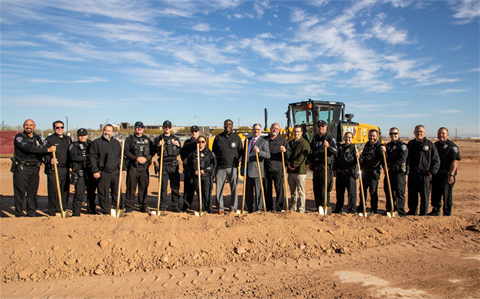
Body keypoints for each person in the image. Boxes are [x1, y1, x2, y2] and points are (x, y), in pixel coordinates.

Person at [12, 119, 56, 217]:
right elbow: (29, 149)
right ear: (23, 126)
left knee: (32, 191)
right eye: (26, 125)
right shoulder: (19, 137)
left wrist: (49, 159)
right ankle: (19, 213)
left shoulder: (37, 138)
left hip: (35, 168)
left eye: (31, 125)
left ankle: (31, 212)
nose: (28, 127)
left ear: (34, 126)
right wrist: (46, 149)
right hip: (22, 168)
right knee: (20, 192)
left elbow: (42, 152)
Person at [89, 124, 125, 215]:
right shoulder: (97, 143)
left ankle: (118, 208)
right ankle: (106, 211)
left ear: (112, 132)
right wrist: (95, 170)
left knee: (117, 192)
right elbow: (92, 158)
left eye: (109, 131)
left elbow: (121, 156)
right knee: (103, 192)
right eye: (105, 130)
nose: (107, 132)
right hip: (103, 172)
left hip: (115, 171)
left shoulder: (116, 143)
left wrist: (123, 168)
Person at [406, 125, 440, 216]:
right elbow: (406, 158)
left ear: (424, 133)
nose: (419, 133)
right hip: (413, 173)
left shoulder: (429, 145)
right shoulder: (411, 144)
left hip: (425, 174)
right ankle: (412, 211)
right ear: (414, 133)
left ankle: (423, 213)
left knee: (424, 195)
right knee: (412, 194)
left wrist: (432, 172)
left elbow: (436, 160)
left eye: (421, 132)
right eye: (417, 131)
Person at [212, 119, 243, 214]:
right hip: (220, 167)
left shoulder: (236, 138)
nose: (227, 126)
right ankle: (220, 208)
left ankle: (233, 208)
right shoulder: (218, 137)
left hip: (232, 167)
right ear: (224, 125)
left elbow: (241, 152)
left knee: (234, 188)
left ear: (232, 126)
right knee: (219, 188)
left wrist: (238, 162)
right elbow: (213, 152)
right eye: (226, 124)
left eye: (229, 124)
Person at [429, 127, 461, 216]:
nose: (441, 135)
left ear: (448, 135)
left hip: (447, 174)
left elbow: (455, 161)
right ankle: (435, 211)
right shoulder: (435, 145)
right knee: (435, 193)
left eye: (443, 133)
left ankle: (447, 213)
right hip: (437, 174)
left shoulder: (452, 146)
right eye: (439, 133)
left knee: (446, 195)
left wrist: (451, 174)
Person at [44, 120, 72, 216]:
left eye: (61, 127)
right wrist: (50, 159)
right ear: (53, 129)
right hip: (54, 169)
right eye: (57, 127)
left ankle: (62, 208)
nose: (59, 129)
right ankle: (53, 211)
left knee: (65, 189)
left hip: (65, 168)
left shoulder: (67, 139)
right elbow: (44, 153)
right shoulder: (49, 140)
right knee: (54, 190)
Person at [308, 120, 338, 212]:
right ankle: (318, 208)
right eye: (319, 126)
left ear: (326, 127)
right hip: (316, 169)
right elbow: (311, 151)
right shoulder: (315, 138)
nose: (320, 128)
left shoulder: (330, 138)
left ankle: (325, 207)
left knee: (324, 189)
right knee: (316, 190)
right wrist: (310, 161)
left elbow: (336, 152)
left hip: (325, 168)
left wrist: (328, 147)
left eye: (322, 126)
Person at [153, 120, 182, 212]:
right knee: (163, 187)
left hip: (173, 165)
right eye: (165, 127)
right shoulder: (158, 139)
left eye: (169, 127)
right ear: (163, 127)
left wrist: (178, 145)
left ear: (171, 128)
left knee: (175, 187)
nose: (167, 128)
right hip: (163, 165)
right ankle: (162, 206)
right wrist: (158, 145)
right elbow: (153, 150)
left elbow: (180, 150)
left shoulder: (175, 138)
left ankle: (175, 206)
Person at [124, 121, 152, 213]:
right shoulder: (129, 139)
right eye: (137, 127)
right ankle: (129, 207)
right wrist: (136, 158)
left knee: (143, 189)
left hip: (144, 168)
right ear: (134, 128)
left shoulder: (147, 140)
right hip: (133, 167)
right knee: (131, 188)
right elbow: (126, 151)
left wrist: (146, 158)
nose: (139, 128)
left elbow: (152, 152)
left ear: (143, 128)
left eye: (141, 127)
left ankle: (143, 206)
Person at [242, 123, 270, 213]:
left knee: (258, 191)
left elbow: (267, 155)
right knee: (248, 192)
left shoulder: (264, 141)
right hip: (247, 169)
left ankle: (258, 208)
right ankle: (249, 208)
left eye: (258, 129)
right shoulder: (247, 140)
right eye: (254, 129)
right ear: (252, 130)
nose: (256, 131)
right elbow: (244, 156)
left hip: (257, 169)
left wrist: (259, 151)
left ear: (260, 131)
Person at [69, 128, 97, 216]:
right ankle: (76, 212)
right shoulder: (74, 145)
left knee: (92, 193)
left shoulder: (91, 144)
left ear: (87, 135)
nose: (82, 137)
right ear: (78, 136)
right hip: (80, 173)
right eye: (80, 136)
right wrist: (87, 158)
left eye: (84, 136)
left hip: (90, 172)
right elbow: (73, 157)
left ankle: (91, 210)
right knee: (79, 193)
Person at [264, 123, 291, 212]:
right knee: (267, 189)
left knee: (279, 190)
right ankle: (269, 207)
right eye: (273, 128)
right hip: (266, 168)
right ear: (270, 129)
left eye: (276, 128)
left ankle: (279, 208)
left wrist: (285, 151)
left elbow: (288, 155)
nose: (274, 130)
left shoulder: (282, 140)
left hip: (278, 169)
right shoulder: (265, 140)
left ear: (279, 130)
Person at [186, 135, 216, 213]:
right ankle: (201, 208)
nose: (201, 143)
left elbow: (214, 164)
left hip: (206, 176)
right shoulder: (193, 153)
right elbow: (188, 164)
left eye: (203, 142)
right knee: (200, 193)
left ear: (205, 143)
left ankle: (208, 209)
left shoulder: (209, 153)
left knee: (207, 193)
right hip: (196, 176)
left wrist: (205, 170)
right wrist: (193, 171)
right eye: (199, 142)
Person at [358, 129, 385, 214]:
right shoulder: (367, 145)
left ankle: (373, 208)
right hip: (365, 171)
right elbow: (364, 157)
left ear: (377, 136)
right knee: (362, 190)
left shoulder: (379, 146)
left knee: (373, 191)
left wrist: (384, 151)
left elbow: (384, 159)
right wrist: (359, 157)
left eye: (373, 136)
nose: (372, 137)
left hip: (374, 172)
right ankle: (362, 206)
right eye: (370, 135)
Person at [383, 127, 408, 216]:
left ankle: (400, 211)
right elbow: (384, 158)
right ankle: (390, 209)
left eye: (395, 133)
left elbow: (402, 159)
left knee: (399, 192)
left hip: (398, 173)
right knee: (388, 191)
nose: (393, 135)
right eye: (391, 134)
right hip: (389, 173)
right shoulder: (388, 146)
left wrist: (390, 165)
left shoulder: (402, 146)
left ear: (398, 134)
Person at [333, 132, 359, 214]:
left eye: (350, 138)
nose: (348, 139)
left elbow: (359, 161)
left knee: (351, 193)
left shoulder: (354, 148)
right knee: (339, 192)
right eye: (346, 137)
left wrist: (358, 156)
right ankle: (338, 208)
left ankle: (351, 209)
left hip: (350, 173)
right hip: (340, 173)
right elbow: (336, 159)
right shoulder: (340, 147)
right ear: (344, 138)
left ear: (352, 139)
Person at [287, 125, 310, 213]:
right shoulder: (290, 143)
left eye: (298, 131)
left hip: (299, 172)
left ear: (301, 133)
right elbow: (287, 155)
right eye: (295, 131)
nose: (296, 133)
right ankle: (293, 207)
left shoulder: (304, 143)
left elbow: (302, 157)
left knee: (301, 191)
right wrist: (288, 164)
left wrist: (292, 165)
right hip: (290, 172)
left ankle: (301, 208)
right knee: (292, 191)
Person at [180, 125, 201, 212]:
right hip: (188, 170)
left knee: (199, 190)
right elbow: (182, 152)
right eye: (192, 131)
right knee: (188, 190)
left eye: (195, 131)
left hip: (197, 170)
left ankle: (202, 207)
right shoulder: (187, 142)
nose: (194, 133)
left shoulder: (201, 141)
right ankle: (186, 206)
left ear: (198, 132)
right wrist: (184, 158)